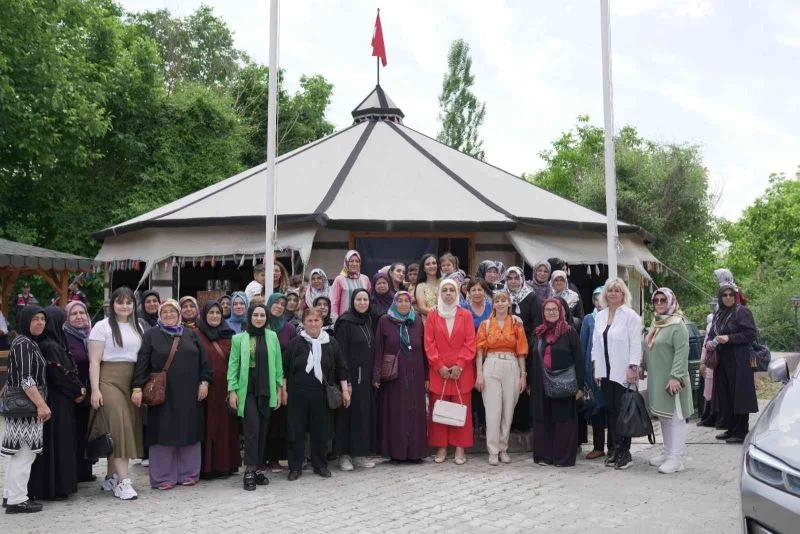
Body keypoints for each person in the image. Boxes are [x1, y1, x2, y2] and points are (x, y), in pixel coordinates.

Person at [132, 300, 211, 490]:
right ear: (159, 315)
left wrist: (204, 382)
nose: (168, 314)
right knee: (162, 433)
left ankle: (189, 473)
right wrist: (137, 388)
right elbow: (142, 362)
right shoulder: (151, 335)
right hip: (163, 394)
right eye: (164, 311)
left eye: (172, 311)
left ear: (179, 314)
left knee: (189, 431)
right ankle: (162, 477)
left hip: (189, 394)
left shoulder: (191, 334)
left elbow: (204, 362)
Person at [88, 287, 143, 500]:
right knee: (120, 427)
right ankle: (123, 481)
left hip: (131, 381)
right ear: (112, 304)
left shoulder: (138, 326)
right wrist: (95, 389)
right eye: (120, 302)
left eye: (129, 302)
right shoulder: (101, 327)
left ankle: (110, 477)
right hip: (108, 379)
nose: (125, 306)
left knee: (119, 429)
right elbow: (94, 361)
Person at [283, 308, 350, 481]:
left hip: (321, 394)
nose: (313, 324)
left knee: (321, 431)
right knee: (296, 431)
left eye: (316, 320)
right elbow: (284, 369)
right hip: (298, 394)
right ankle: (295, 467)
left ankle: (320, 465)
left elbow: (341, 368)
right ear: (304, 323)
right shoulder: (296, 343)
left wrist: (345, 391)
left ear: (322, 322)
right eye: (310, 320)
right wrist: (283, 391)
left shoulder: (332, 343)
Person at [227, 302, 285, 490]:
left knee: (263, 430)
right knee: (252, 430)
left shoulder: (272, 336)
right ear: (249, 317)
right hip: (248, 391)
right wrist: (232, 390)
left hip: (266, 390)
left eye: (262, 315)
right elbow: (233, 366)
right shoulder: (239, 339)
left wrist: (278, 389)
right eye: (256, 315)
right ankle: (249, 470)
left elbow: (278, 365)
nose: (259, 319)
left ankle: (259, 469)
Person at [28, 307, 84, 501]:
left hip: (55, 400)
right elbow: (59, 375)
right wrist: (78, 391)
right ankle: (57, 487)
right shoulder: (51, 346)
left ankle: (52, 486)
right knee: (58, 443)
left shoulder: (47, 343)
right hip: (58, 401)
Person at [1, 306, 49, 514]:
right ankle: (17, 500)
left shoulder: (27, 342)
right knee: (24, 453)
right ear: (25, 321)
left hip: (22, 408)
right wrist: (41, 404)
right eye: (35, 319)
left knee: (20, 453)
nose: (40, 322)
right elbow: (25, 379)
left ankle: (10, 496)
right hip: (25, 408)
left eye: (42, 319)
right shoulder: (23, 344)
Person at [591, 278, 642, 470]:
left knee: (623, 414)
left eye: (617, 291)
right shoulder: (600, 315)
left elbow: (636, 344)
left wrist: (632, 368)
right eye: (610, 290)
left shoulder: (630, 316)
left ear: (623, 294)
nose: (613, 293)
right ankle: (614, 449)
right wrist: (597, 369)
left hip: (623, 372)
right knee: (611, 413)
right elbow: (596, 345)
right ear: (605, 294)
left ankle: (625, 453)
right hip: (605, 372)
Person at [372, 292, 428, 463]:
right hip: (394, 376)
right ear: (394, 303)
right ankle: (396, 453)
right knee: (396, 412)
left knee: (415, 412)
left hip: (416, 373)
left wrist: (426, 376)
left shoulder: (417, 320)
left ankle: (415, 452)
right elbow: (379, 347)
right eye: (400, 301)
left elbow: (424, 349)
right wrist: (376, 374)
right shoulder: (384, 321)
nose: (403, 304)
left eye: (406, 301)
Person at [425, 279, 476, 465]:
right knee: (439, 410)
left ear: (457, 294)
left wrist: (459, 365)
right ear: (440, 294)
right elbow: (428, 344)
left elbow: (470, 343)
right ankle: (441, 447)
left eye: (451, 290)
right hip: (439, 373)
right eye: (444, 290)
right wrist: (440, 366)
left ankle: (460, 448)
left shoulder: (466, 315)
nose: (448, 293)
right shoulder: (433, 316)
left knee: (462, 410)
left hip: (461, 372)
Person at [530, 298, 585, 467]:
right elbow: (531, 360)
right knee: (543, 419)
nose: (551, 312)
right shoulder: (538, 333)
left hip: (565, 384)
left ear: (561, 311)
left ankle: (563, 458)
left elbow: (579, 360)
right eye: (548, 310)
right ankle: (544, 456)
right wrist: (530, 383)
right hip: (541, 383)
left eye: (555, 309)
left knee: (563, 421)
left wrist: (580, 386)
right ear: (543, 313)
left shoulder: (570, 332)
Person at [475, 292, 528, 465]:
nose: (500, 303)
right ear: (493, 304)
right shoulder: (486, 324)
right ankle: (493, 450)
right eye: (497, 301)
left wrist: (523, 375)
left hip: (511, 364)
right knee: (492, 410)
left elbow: (521, 351)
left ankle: (503, 447)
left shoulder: (515, 323)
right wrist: (479, 375)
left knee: (508, 410)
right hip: (491, 363)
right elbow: (479, 352)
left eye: (503, 300)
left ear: (509, 303)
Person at [644, 288, 693, 474]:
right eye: (655, 300)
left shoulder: (677, 324)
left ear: (671, 301)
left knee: (675, 418)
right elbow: (649, 346)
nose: (658, 303)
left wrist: (675, 377)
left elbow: (682, 352)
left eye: (662, 300)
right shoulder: (657, 323)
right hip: (658, 378)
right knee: (665, 416)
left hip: (673, 379)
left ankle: (676, 458)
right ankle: (667, 452)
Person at [706, 284, 758, 444]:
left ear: (735, 296)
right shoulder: (719, 314)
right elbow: (712, 334)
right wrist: (709, 343)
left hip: (739, 359)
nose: (728, 297)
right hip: (722, 360)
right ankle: (730, 428)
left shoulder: (741, 311)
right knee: (726, 394)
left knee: (740, 395)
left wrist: (730, 338)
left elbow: (751, 334)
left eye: (730, 295)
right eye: (724, 295)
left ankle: (741, 431)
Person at [195, 301, 240, 479]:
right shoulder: (196, 335)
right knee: (207, 425)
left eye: (218, 313)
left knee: (225, 427)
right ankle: (206, 467)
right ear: (204, 314)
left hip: (226, 389)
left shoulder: (230, 335)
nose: (214, 316)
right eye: (211, 312)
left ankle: (225, 465)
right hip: (205, 389)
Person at [334, 289, 376, 471]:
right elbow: (340, 353)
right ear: (352, 301)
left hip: (365, 377)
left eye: (365, 299)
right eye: (358, 299)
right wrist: (346, 381)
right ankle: (343, 456)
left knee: (362, 415)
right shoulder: (345, 322)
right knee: (347, 416)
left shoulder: (368, 320)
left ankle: (359, 454)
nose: (362, 303)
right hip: (349, 377)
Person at [264, 293, 297, 473]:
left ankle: (275, 458)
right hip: (262, 378)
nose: (279, 306)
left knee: (278, 421)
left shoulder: (289, 329)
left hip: (282, 380)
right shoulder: (261, 322)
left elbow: (292, 356)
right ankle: (261, 458)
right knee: (263, 420)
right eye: (276, 302)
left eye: (282, 304)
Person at [63, 301, 95, 481]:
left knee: (87, 431)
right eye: (74, 314)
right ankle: (73, 472)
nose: (79, 317)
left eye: (82, 313)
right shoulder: (65, 337)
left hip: (91, 392)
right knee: (74, 432)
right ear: (67, 317)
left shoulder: (91, 335)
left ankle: (85, 470)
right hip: (74, 393)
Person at [579, 287, 608, 460]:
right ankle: (598, 446)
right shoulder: (589, 319)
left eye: (601, 298)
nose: (599, 302)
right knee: (596, 409)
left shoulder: (615, 317)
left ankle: (614, 446)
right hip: (593, 370)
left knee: (611, 409)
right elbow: (583, 345)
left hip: (611, 370)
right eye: (596, 299)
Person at [330, 250, 371, 321]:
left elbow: (369, 299)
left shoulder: (365, 279)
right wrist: (335, 320)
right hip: (345, 320)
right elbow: (334, 302)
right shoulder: (339, 279)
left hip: (362, 319)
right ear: (346, 262)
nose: (354, 264)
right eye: (351, 261)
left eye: (357, 261)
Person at [415, 254, 440, 320]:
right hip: (429, 322)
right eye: (428, 264)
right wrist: (439, 314)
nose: (431, 266)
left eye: (434, 263)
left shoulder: (445, 282)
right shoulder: (421, 286)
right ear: (423, 269)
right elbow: (422, 308)